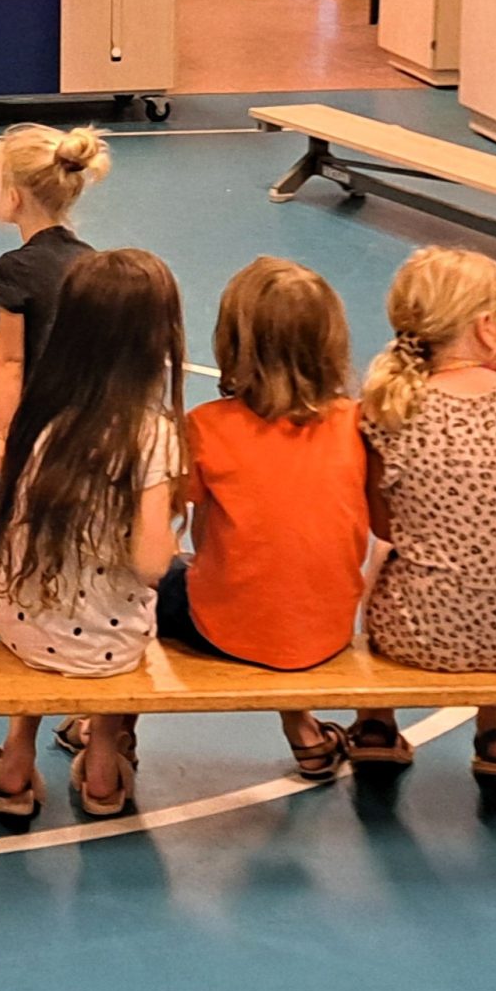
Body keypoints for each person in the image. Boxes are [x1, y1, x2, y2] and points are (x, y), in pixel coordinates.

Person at [0, 252, 187, 823]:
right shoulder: (151, 432)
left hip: (19, 626)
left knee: (55, 601)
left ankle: (16, 761)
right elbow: (149, 563)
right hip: (104, 649)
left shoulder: (40, 410)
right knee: (125, 609)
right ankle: (103, 763)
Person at [346, 248, 496, 804]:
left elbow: (383, 523)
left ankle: (374, 721)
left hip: (419, 636)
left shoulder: (386, 406)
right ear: (488, 330)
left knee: (386, 558)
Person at [160, 258, 367, 781]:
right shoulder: (356, 423)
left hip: (228, 629)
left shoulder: (207, 426)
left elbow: (163, 521)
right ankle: (304, 731)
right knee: (279, 565)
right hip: (328, 626)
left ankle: (102, 733)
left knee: (150, 576)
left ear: (232, 342)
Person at [0, 125, 110, 470]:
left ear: (14, 197)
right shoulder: (90, 259)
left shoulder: (15, 268)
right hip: (86, 400)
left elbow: (12, 363)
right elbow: (70, 328)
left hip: (47, 407)